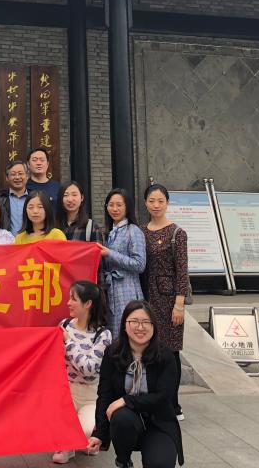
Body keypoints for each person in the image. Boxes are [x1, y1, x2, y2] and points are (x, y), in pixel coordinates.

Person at [87, 301, 184, 468]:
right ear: (125, 325)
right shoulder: (113, 353)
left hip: (158, 422)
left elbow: (163, 397)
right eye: (134, 321)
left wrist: (126, 400)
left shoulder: (165, 355)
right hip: (127, 423)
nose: (140, 327)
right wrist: (99, 433)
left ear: (154, 326)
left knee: (160, 464)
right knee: (121, 417)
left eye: (146, 322)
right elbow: (104, 395)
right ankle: (123, 461)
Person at [142, 183, 188, 421]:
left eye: (160, 201)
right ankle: (154, 401)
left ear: (167, 203)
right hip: (147, 298)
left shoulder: (177, 233)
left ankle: (173, 404)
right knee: (150, 351)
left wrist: (179, 304)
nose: (156, 205)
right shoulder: (141, 231)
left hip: (169, 300)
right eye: (152, 201)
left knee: (171, 353)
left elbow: (182, 271)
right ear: (145, 203)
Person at [52, 280, 112, 464]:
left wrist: (68, 342)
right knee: (49, 418)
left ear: (88, 304)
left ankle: (86, 439)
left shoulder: (103, 335)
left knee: (86, 429)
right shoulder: (65, 325)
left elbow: (89, 369)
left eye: (73, 299)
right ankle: (67, 445)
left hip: (90, 397)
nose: (68, 303)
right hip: (65, 392)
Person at [101, 188, 147, 341]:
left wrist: (110, 253)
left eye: (119, 205)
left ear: (127, 207)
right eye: (111, 205)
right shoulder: (109, 232)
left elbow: (140, 264)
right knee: (113, 335)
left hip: (128, 290)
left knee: (128, 334)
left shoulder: (133, 230)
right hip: (111, 290)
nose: (115, 209)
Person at [0, 159, 30, 234]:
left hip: (31, 240)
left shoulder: (34, 198)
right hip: (8, 240)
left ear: (27, 176)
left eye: (20, 173)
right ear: (7, 178)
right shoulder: (0, 199)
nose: (17, 177)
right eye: (13, 174)